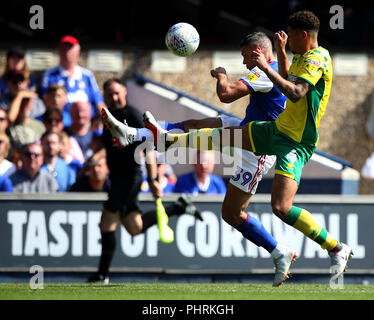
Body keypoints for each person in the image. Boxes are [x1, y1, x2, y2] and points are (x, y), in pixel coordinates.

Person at [102, 12, 354, 282]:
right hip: (275, 130)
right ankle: (144, 135)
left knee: (279, 207)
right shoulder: (302, 57)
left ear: (303, 35)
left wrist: (248, 69)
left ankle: (334, 247)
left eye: (291, 35)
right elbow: (288, 80)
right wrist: (281, 53)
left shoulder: (312, 60)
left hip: (292, 143)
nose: (287, 39)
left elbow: (294, 92)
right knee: (215, 133)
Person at [88, 78, 202, 283]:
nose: (114, 97)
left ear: (124, 91)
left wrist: (153, 180)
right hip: (117, 179)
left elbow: (148, 149)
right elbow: (112, 149)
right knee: (135, 228)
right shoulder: (109, 118)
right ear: (104, 96)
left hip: (129, 178)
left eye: (117, 92)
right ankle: (178, 207)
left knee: (106, 223)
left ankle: (102, 275)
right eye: (109, 94)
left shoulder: (132, 116)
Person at [40, 35, 105, 120]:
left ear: (78, 51)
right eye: (63, 48)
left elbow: (99, 102)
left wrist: (108, 122)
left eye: (70, 48)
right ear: (59, 51)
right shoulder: (49, 75)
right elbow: (45, 102)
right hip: (60, 122)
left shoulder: (87, 75)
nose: (67, 51)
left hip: (85, 123)